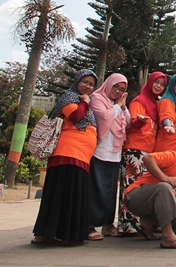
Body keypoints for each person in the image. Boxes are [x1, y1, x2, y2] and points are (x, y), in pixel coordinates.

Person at [32, 69, 99, 246]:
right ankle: (48, 234)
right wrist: (85, 102)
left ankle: (68, 234)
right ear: (77, 81)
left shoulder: (82, 100)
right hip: (67, 153)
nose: (87, 86)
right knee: (61, 193)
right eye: (84, 82)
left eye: (91, 84)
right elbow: (76, 116)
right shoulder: (69, 97)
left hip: (80, 156)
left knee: (73, 194)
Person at [117, 71, 167, 236]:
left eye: (162, 84)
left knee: (143, 189)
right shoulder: (140, 100)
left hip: (148, 153)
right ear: (150, 82)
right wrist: (139, 121)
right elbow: (130, 122)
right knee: (131, 187)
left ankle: (142, 223)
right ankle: (127, 224)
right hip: (135, 150)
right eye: (156, 82)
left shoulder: (155, 104)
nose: (159, 86)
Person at [87, 73, 131, 240]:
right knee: (95, 190)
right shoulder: (97, 98)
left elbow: (127, 122)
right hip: (99, 151)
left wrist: (123, 105)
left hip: (114, 152)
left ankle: (107, 224)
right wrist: (118, 106)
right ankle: (89, 225)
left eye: (122, 89)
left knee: (110, 191)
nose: (118, 91)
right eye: (116, 87)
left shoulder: (117, 104)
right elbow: (105, 117)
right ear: (108, 84)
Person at [154, 74, 176, 153]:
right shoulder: (167, 100)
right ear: (172, 85)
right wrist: (168, 125)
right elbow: (166, 115)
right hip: (167, 151)